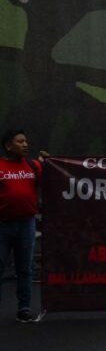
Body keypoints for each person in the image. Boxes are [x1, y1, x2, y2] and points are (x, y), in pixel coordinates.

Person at [0, 129, 46, 322]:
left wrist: (49, 164)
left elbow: (53, 180)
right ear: (8, 146)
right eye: (20, 142)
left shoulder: (33, 165)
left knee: (25, 269)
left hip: (26, 224)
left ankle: (24, 309)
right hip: (2, 225)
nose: (25, 144)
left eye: (26, 141)